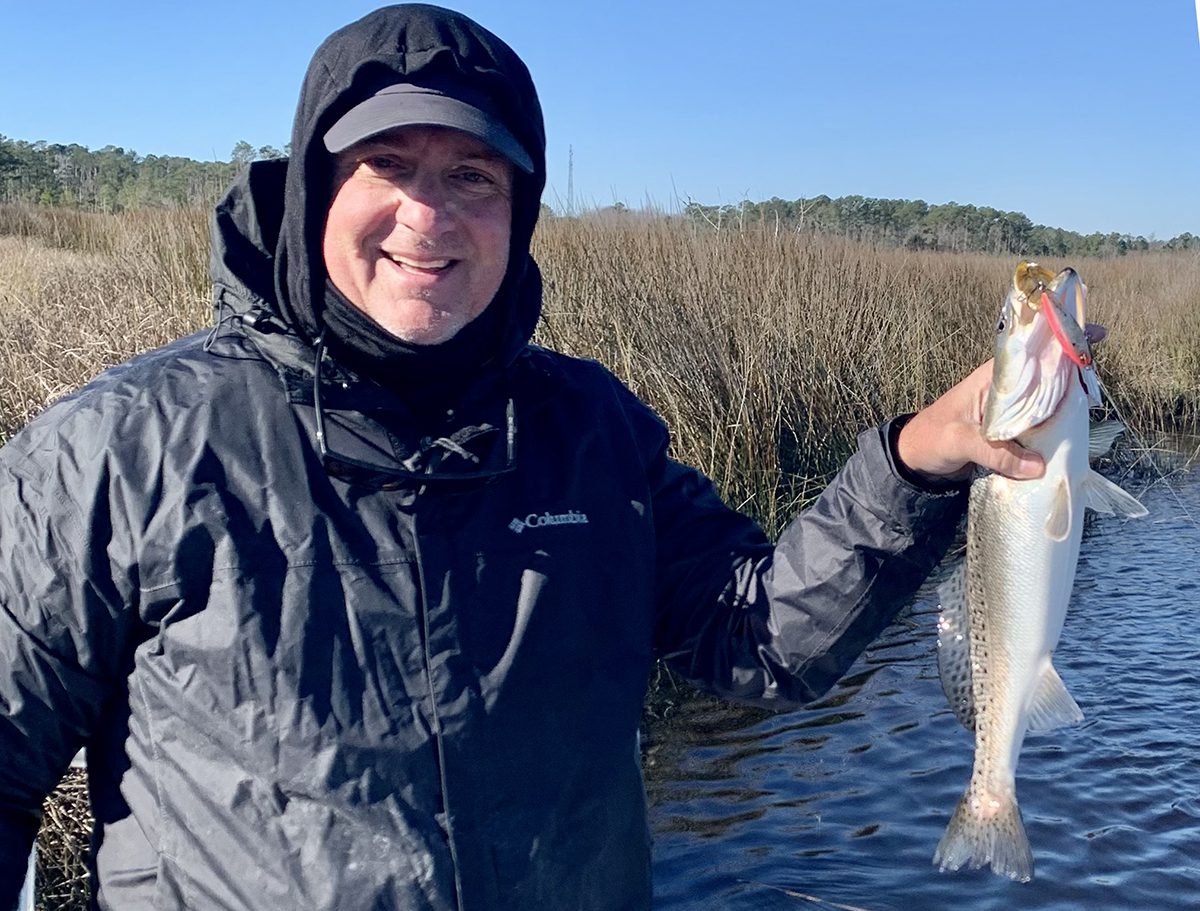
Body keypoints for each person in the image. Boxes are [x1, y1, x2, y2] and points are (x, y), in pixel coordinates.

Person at [0, 5, 1045, 910]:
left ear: (520, 212)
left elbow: (757, 633)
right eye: (386, 165)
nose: (428, 214)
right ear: (316, 186)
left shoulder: (588, 429)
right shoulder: (117, 450)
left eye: (473, 175)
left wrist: (918, 459)